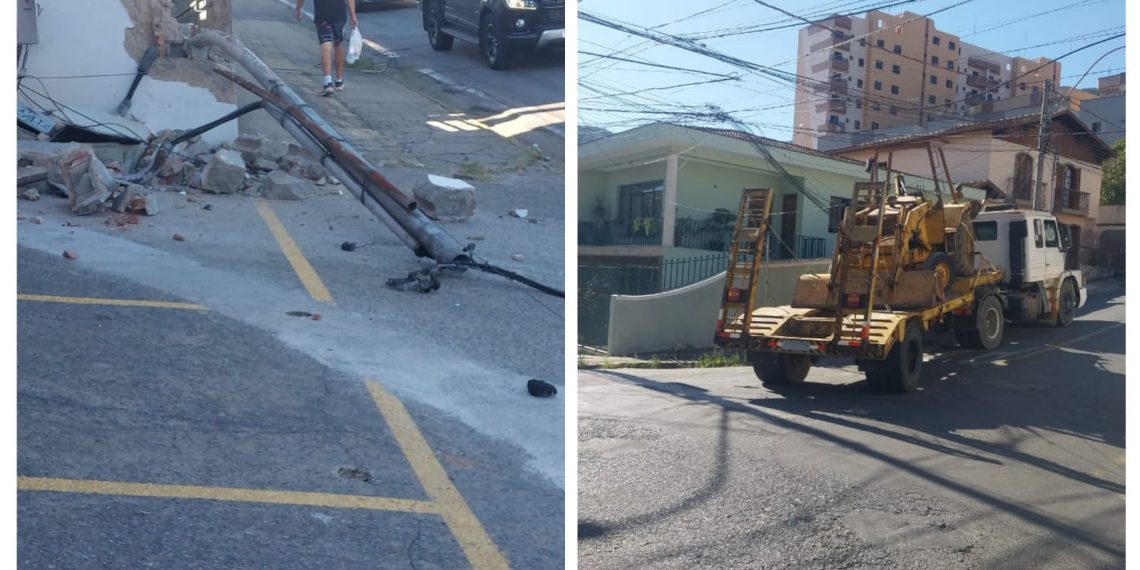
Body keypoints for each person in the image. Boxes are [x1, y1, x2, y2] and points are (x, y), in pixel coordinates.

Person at [296, 0, 357, 97]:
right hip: (339, 13)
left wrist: (298, 9)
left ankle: (328, 83)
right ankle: (339, 81)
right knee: (338, 43)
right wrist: (353, 16)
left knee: (325, 43)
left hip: (322, 13)